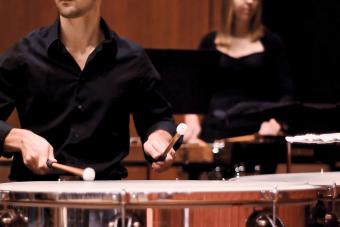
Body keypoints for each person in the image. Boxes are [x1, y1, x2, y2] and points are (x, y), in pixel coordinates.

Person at [0, 0, 177, 181]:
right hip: (35, 201)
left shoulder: (132, 59)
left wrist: (160, 137)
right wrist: (19, 138)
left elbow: (158, 118)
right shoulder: (25, 54)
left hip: (106, 200)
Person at [184, 0, 293, 175]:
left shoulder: (271, 43)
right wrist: (191, 118)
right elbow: (195, 89)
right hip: (215, 134)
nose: (250, 2)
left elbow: (287, 93)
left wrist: (275, 121)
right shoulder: (210, 42)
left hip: (256, 137)